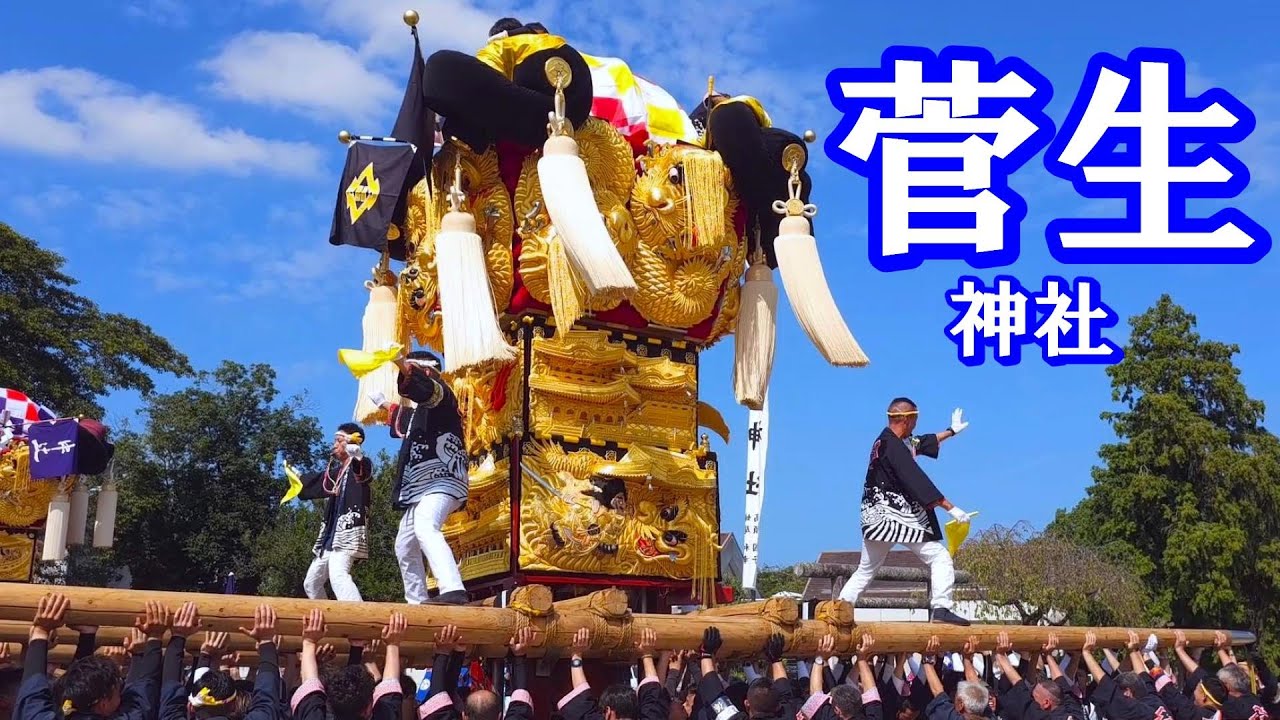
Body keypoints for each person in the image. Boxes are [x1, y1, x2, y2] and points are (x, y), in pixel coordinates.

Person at [837, 397, 972, 626]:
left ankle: (838, 609)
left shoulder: (890, 442)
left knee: (866, 570)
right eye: (916, 419)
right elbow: (914, 478)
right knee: (939, 557)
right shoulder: (892, 446)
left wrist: (951, 431)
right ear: (907, 420)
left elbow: (919, 443)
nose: (917, 424)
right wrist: (951, 507)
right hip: (895, 517)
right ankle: (941, 607)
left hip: (875, 519)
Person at [372, 350, 470, 605]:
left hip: (442, 478)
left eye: (411, 370)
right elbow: (402, 417)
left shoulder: (442, 395)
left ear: (426, 372)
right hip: (421, 487)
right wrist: (382, 404)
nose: (405, 376)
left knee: (426, 526)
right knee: (403, 545)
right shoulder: (419, 412)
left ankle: (453, 589)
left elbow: (426, 391)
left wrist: (400, 364)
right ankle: (416, 601)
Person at [299, 423, 374, 602]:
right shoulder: (337, 473)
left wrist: (356, 454)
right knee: (311, 583)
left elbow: (362, 472)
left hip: (348, 530)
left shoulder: (361, 462)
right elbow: (315, 482)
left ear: (350, 442)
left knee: (338, 574)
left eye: (338, 440)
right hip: (330, 537)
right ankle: (327, 623)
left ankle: (360, 621)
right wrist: (296, 479)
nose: (334, 445)